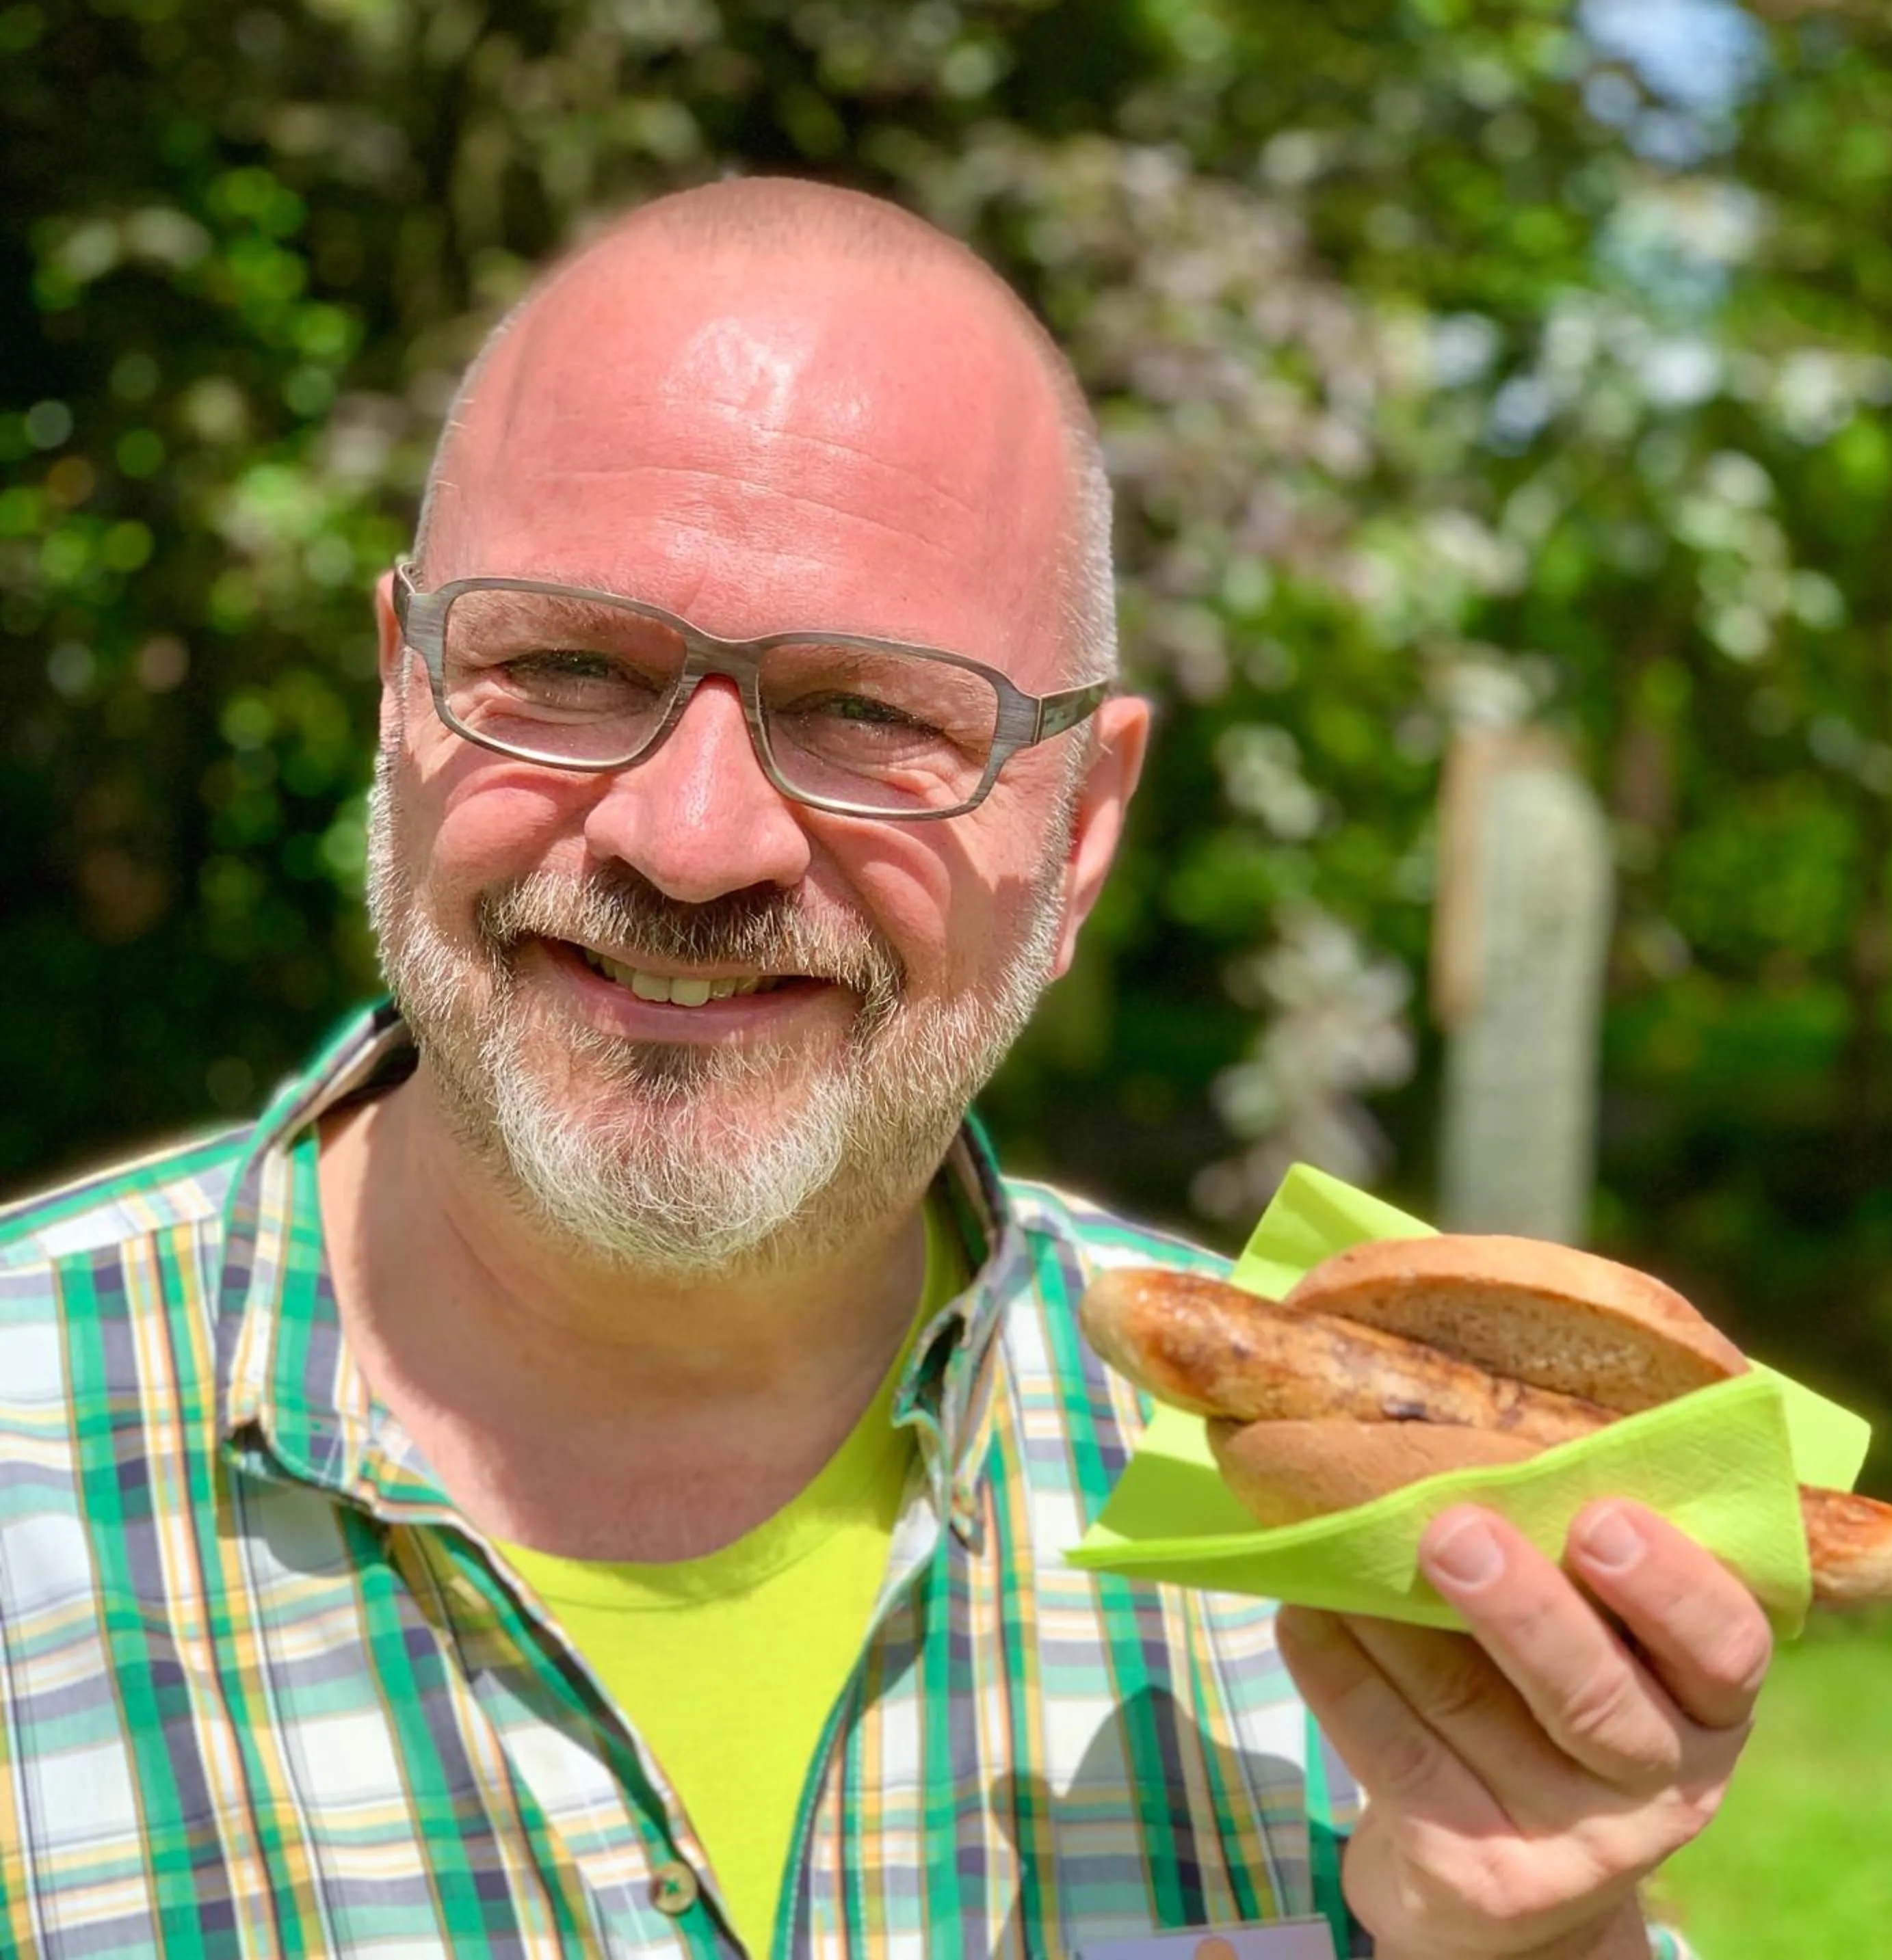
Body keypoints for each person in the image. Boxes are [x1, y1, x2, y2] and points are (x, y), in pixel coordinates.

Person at [0, 178, 1767, 1959]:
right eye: (561, 664)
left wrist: (1527, 1944)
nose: (693, 842)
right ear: (403, 694)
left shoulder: (1362, 1585)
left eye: (871, 714)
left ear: (1077, 839)